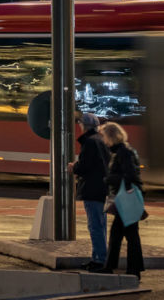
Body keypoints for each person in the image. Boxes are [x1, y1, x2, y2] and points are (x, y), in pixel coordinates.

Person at [99, 121, 145, 280]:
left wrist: (108, 179)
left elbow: (130, 175)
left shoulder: (123, 152)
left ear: (111, 137)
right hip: (125, 199)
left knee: (128, 235)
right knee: (121, 234)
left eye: (105, 137)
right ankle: (118, 267)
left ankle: (132, 270)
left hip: (125, 199)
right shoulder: (124, 150)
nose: (104, 140)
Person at [73, 113, 110, 271]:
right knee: (101, 225)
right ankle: (99, 257)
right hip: (102, 188)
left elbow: (85, 167)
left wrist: (73, 167)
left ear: (83, 125)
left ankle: (98, 260)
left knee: (95, 225)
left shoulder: (89, 142)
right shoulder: (102, 140)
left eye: (80, 124)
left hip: (92, 188)